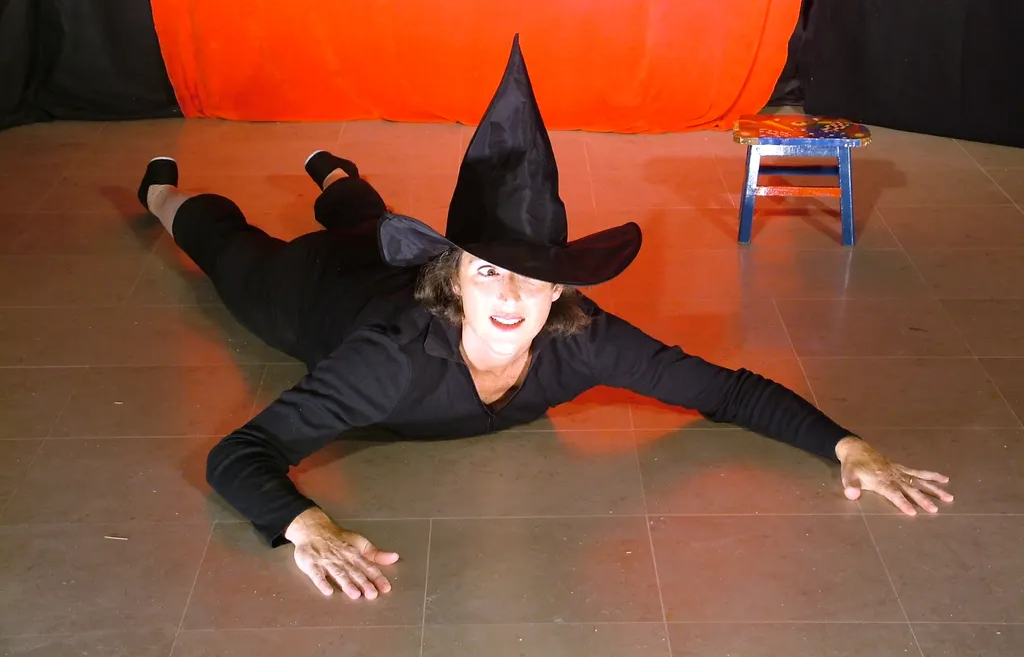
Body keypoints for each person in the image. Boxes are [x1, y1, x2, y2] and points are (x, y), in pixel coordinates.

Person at [137, 35, 953, 602]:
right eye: (489, 271)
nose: (510, 297)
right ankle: (160, 192)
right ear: (454, 278)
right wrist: (305, 526)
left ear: (561, 291)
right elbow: (241, 454)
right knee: (231, 247)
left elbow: (728, 391)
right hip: (318, 294)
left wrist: (852, 446)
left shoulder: (584, 338)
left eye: (534, 279)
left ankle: (335, 175)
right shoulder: (389, 358)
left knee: (364, 214)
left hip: (390, 260)